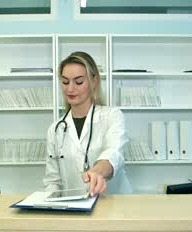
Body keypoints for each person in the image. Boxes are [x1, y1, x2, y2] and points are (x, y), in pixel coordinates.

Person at [44, 51, 132, 196]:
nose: (70, 89)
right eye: (65, 82)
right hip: (74, 209)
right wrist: (48, 204)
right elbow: (53, 181)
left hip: (113, 206)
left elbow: (114, 153)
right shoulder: (55, 129)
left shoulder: (112, 116)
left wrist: (96, 172)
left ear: (94, 81)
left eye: (78, 82)